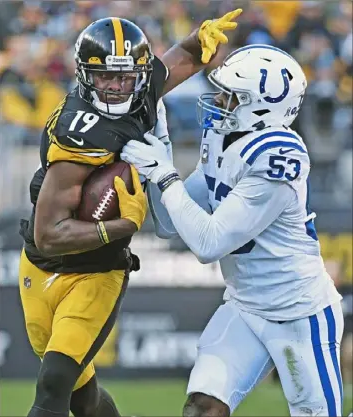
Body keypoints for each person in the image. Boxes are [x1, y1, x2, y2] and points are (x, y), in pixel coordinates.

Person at [18, 10, 243, 417]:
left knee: (52, 385)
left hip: (96, 274)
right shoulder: (79, 133)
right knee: (81, 398)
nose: (118, 87)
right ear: (86, 74)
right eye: (106, 76)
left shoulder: (139, 93)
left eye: (125, 77)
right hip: (40, 262)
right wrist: (122, 225)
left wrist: (200, 38)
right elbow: (49, 233)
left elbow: (181, 57)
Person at [121, 44, 344, 417]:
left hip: (298, 313)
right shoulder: (222, 139)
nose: (220, 100)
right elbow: (168, 224)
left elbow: (209, 243)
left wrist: (165, 174)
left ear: (262, 106)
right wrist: (162, 148)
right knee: (201, 408)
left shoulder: (278, 155)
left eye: (232, 96)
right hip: (245, 306)